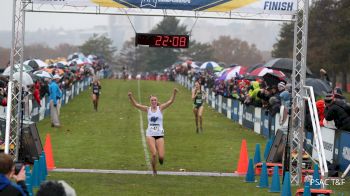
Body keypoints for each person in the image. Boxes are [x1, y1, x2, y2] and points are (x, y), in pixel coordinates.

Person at [128, 88, 178, 175]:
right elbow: (136, 104)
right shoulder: (147, 109)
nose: (154, 101)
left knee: (161, 156)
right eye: (152, 100)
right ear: (150, 102)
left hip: (159, 134)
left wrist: (174, 93)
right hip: (150, 134)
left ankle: (160, 160)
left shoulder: (160, 108)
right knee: (154, 154)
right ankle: (154, 170)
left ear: (157, 101)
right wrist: (130, 96)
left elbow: (170, 102)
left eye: (155, 100)